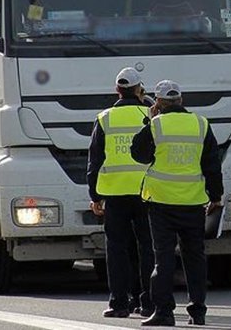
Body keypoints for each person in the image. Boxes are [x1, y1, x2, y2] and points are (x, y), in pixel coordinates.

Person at [131, 80, 223, 326]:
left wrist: (148, 121)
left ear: (158, 103)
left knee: (163, 258)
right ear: (181, 100)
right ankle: (198, 311)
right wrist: (216, 196)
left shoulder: (156, 125)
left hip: (161, 202)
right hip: (193, 202)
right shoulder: (201, 124)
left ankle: (164, 312)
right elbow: (212, 164)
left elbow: (138, 154)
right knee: (195, 257)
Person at [87, 67, 154, 319]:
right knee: (147, 248)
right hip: (146, 192)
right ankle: (148, 303)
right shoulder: (150, 115)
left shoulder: (104, 118)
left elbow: (94, 161)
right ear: (139, 90)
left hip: (114, 194)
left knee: (116, 250)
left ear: (117, 90)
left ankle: (119, 304)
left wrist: (95, 196)